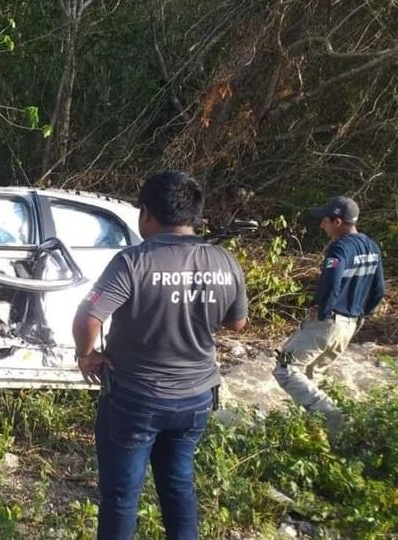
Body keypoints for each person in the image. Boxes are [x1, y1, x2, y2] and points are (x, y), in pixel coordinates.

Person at [73, 171, 248, 540]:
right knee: (178, 484)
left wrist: (86, 356)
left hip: (136, 399)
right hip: (196, 400)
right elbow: (238, 324)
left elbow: (88, 318)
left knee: (121, 496)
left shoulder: (133, 262)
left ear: (147, 213)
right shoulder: (224, 261)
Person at [273, 195, 385, 434]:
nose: (320, 225)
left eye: (324, 220)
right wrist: (360, 315)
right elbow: (379, 290)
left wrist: (323, 310)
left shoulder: (340, 247)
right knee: (311, 375)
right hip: (349, 326)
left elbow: (333, 281)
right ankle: (320, 435)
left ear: (336, 221)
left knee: (286, 368)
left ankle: (331, 415)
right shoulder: (372, 247)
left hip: (327, 323)